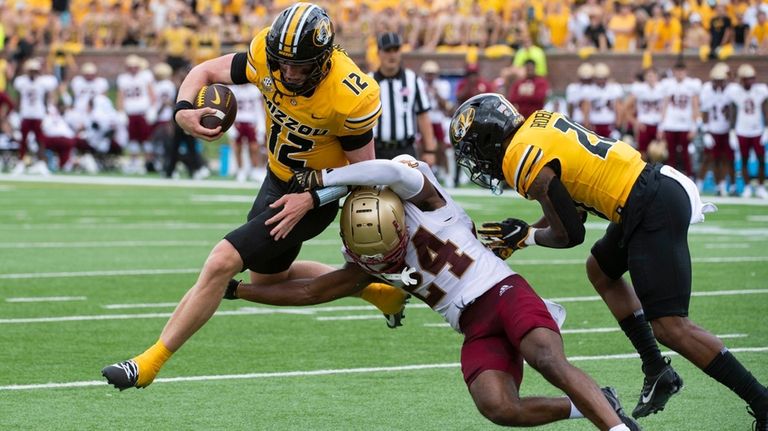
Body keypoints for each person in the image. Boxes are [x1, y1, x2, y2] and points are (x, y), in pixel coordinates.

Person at [101, 2, 407, 391]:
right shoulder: (267, 54)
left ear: (324, 59)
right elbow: (205, 70)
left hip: (315, 196)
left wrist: (312, 200)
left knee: (221, 260)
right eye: (284, 63)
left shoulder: (348, 95)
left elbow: (366, 175)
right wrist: (182, 111)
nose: (290, 73)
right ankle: (377, 293)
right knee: (270, 277)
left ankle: (149, 362)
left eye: (301, 65)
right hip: (275, 182)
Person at [228, 156, 640, 431]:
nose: (386, 257)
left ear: (397, 218)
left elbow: (391, 171)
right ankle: (595, 403)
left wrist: (323, 181)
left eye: (390, 243)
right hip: (473, 325)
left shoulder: (427, 202)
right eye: (374, 253)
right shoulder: (365, 257)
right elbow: (311, 292)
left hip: (504, 292)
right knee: (497, 406)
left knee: (547, 359)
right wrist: (240, 290)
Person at [448, 93, 768, 428]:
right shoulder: (538, 124)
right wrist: (526, 233)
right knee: (600, 269)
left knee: (672, 326)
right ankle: (656, 368)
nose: (477, 161)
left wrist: (527, 236)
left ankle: (761, 401)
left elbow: (570, 234)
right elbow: (572, 209)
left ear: (487, 138)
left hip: (648, 204)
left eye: (473, 150)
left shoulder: (519, 157)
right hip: (648, 190)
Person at [370, 32, 437, 163]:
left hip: (405, 149)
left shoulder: (412, 79)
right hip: (376, 150)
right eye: (387, 50)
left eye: (395, 50)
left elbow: (423, 116)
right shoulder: (368, 81)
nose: (392, 55)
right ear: (378, 53)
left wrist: (429, 150)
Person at [725, 64, 768, 199]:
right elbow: (732, 112)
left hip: (757, 130)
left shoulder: (760, 90)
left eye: (752, 78)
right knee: (744, 160)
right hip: (741, 130)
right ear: (742, 80)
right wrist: (732, 131)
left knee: (761, 160)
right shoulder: (735, 92)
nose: (750, 81)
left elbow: (765, 110)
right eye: (747, 78)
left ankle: (761, 188)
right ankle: (748, 187)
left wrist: (767, 128)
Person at [658, 62, 702, 177]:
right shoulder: (668, 85)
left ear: (685, 72)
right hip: (670, 124)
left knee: (685, 153)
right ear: (673, 72)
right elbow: (665, 106)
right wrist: (661, 126)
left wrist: (694, 126)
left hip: (685, 125)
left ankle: (689, 176)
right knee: (671, 153)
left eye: (681, 71)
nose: (679, 74)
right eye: (677, 71)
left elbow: (695, 106)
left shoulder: (691, 85)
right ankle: (670, 177)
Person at [698, 63, 735, 196]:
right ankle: (700, 183)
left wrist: (732, 130)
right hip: (712, 129)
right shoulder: (707, 89)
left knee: (725, 158)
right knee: (709, 158)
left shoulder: (731, 90)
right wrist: (706, 131)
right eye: (716, 80)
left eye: (721, 80)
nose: (719, 83)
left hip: (726, 130)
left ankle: (722, 185)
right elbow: (705, 111)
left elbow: (733, 111)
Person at [626, 68, 664, 160]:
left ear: (657, 77)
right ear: (645, 77)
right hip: (644, 124)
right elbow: (626, 107)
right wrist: (635, 122)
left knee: (659, 153)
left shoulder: (663, 88)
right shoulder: (639, 89)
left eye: (653, 76)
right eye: (649, 76)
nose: (651, 78)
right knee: (642, 153)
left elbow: (666, 109)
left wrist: (663, 126)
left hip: (658, 124)